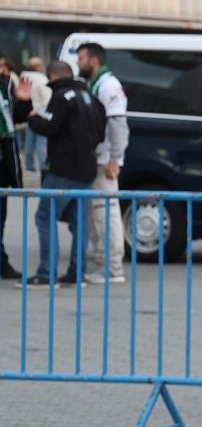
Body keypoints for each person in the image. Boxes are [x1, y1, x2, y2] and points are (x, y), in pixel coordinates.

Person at [22, 60, 101, 286]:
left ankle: (47, 272)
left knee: (45, 216)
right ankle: (77, 272)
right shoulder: (88, 97)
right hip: (87, 168)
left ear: (53, 78)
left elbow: (50, 127)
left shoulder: (60, 96)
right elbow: (100, 130)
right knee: (80, 221)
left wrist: (33, 118)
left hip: (64, 169)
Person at [70, 42, 129, 285]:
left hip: (105, 161)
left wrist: (115, 159)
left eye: (81, 58)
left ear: (93, 61)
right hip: (98, 158)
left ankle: (112, 268)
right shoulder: (95, 84)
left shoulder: (108, 86)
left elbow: (117, 125)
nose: (78, 63)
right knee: (98, 214)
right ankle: (103, 263)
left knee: (106, 213)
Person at [0, 54, 20, 279]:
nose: (3, 71)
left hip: (3, 166)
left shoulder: (6, 92)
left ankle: (1, 263)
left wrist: (22, 100)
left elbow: (16, 117)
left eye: (4, 67)